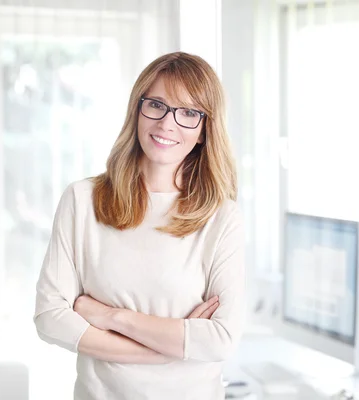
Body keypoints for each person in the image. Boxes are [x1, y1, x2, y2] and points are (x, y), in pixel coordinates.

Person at [34, 51, 245, 400]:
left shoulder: (221, 218)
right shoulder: (82, 201)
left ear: (205, 130)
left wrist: (111, 317)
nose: (167, 124)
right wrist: (168, 347)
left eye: (189, 113)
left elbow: (221, 339)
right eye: (157, 105)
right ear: (137, 109)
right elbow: (50, 318)